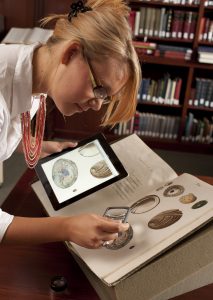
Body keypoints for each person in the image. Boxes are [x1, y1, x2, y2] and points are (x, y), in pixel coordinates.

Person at [0, 0, 141, 248]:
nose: (98, 105)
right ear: (71, 52)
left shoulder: (38, 67)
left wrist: (31, 144)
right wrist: (67, 227)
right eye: (99, 89)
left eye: (106, 98)